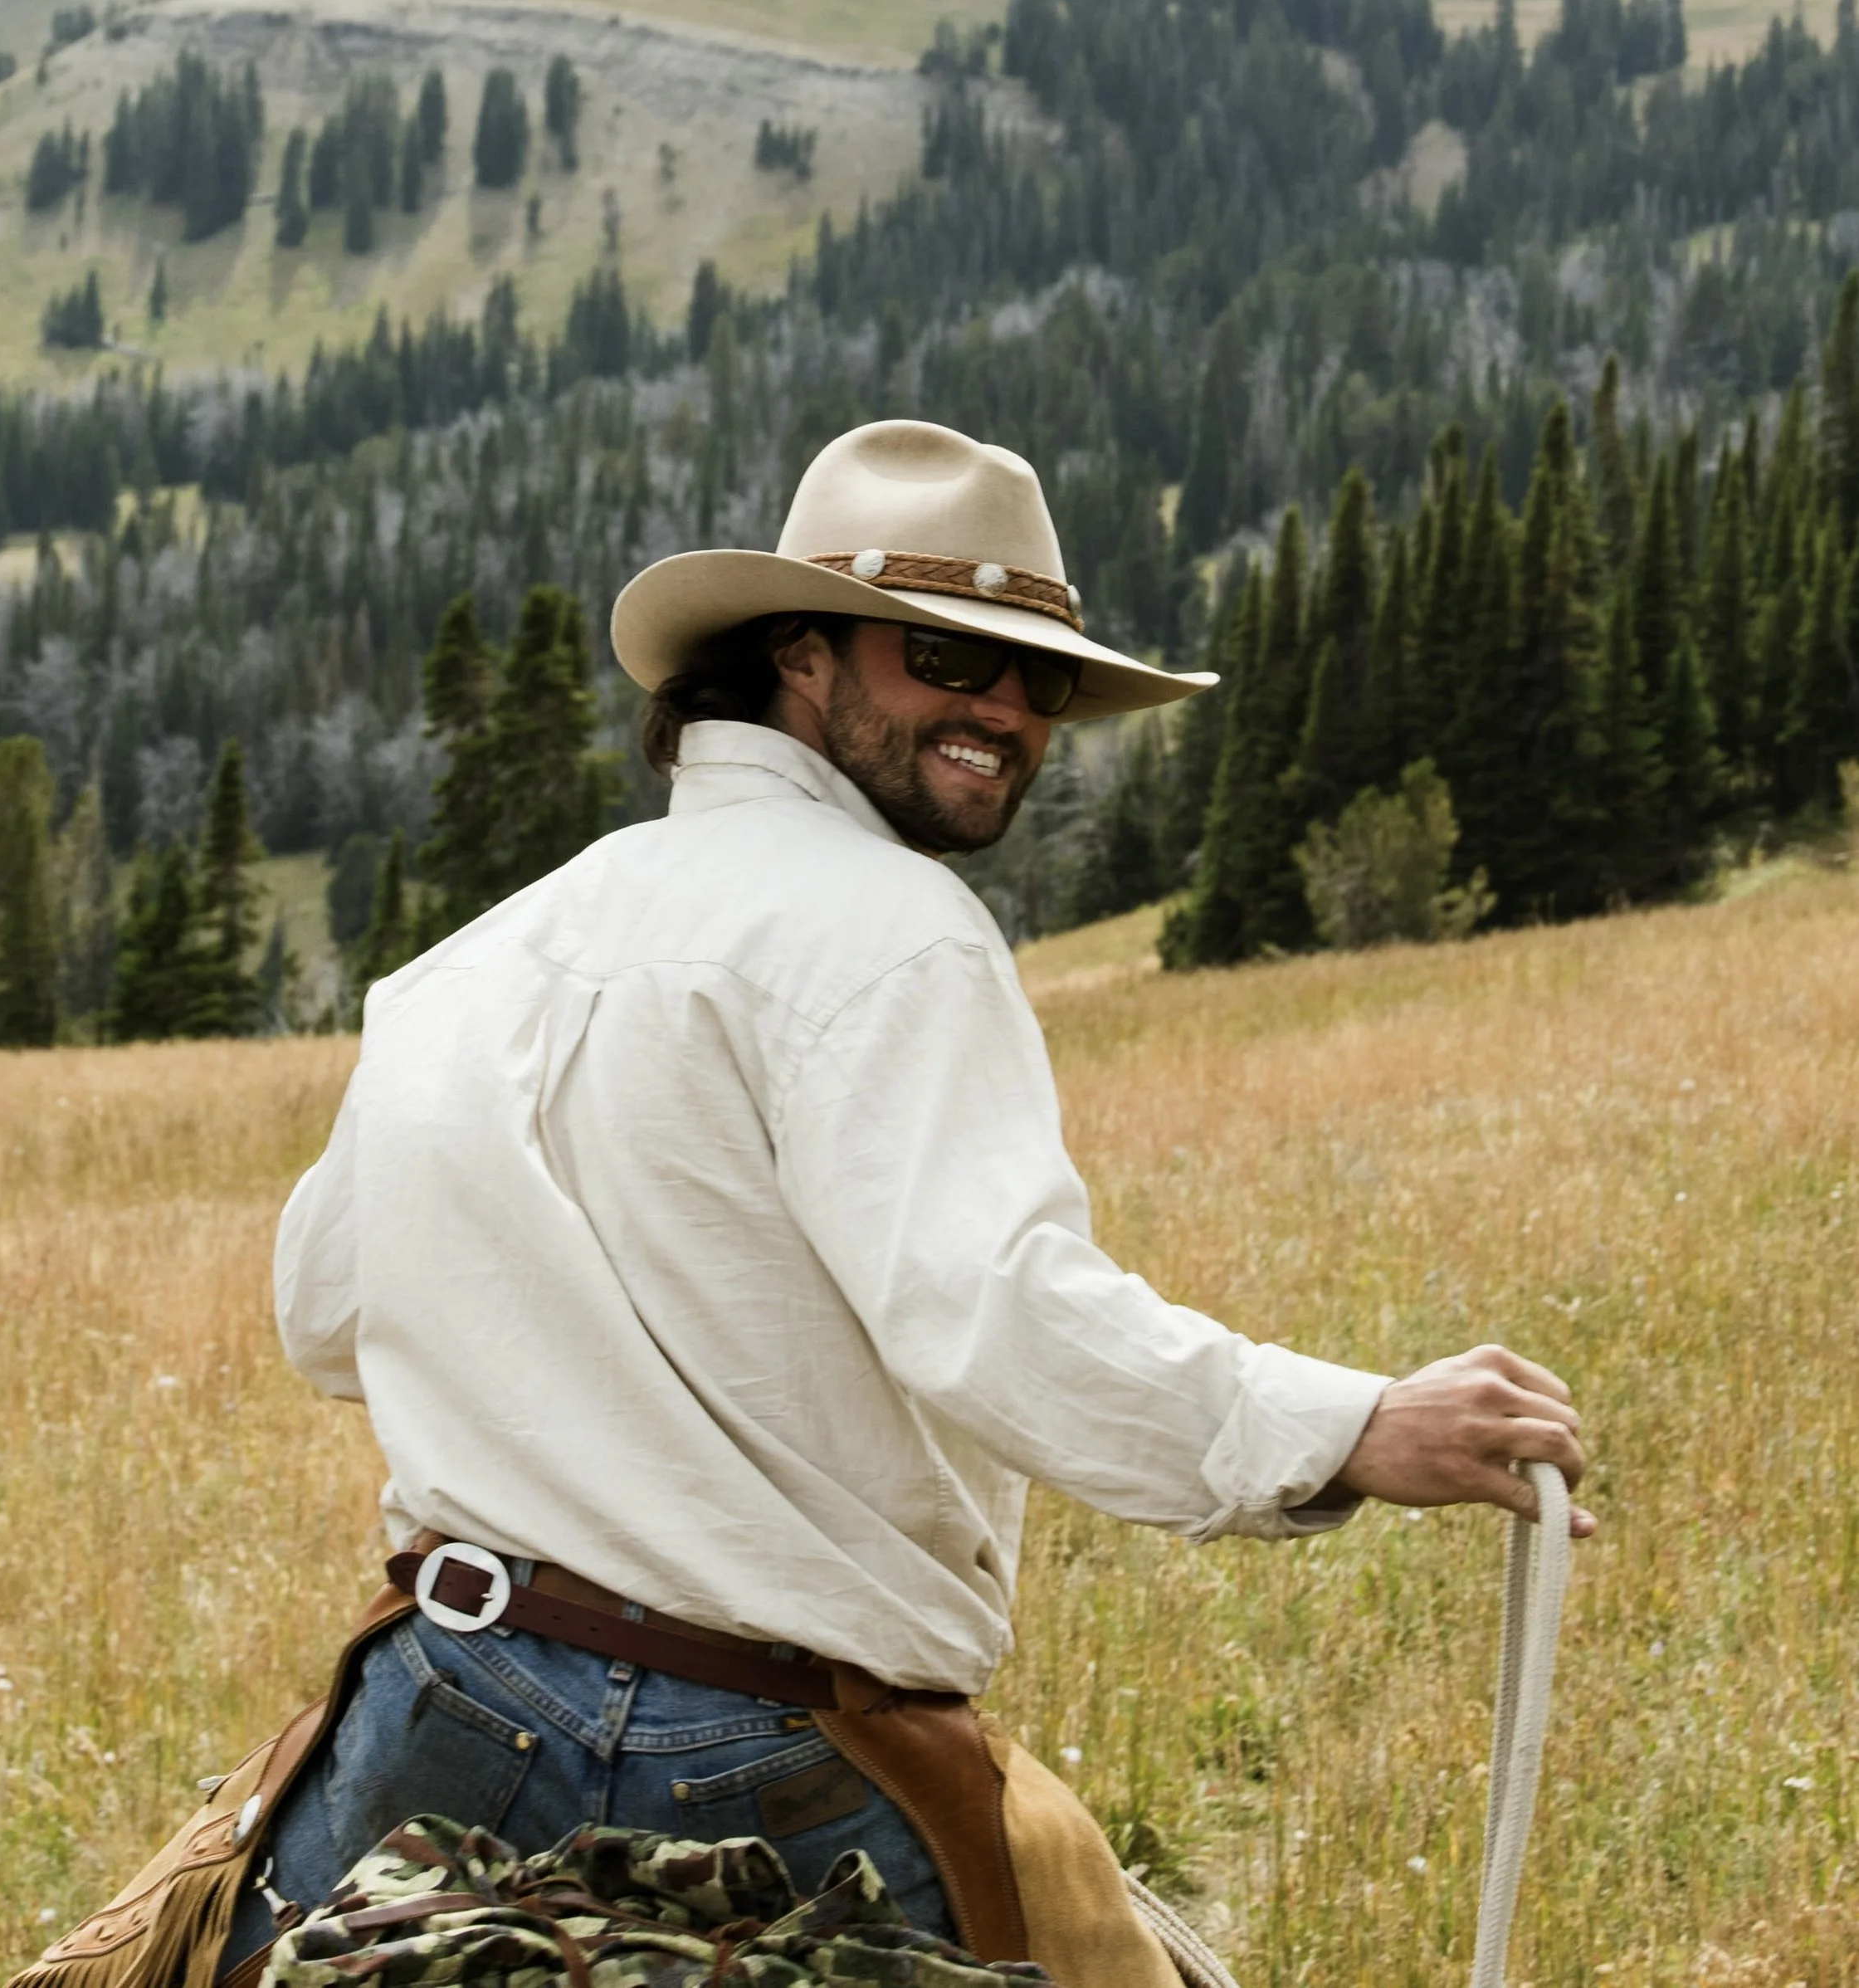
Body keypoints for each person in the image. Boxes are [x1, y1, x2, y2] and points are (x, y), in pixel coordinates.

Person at [238, 418, 1588, 1973]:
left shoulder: (481, 957)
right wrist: (1347, 1427)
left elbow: (326, 1315)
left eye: (1041, 679)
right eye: (950, 659)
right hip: (745, 1746)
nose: (1005, 710)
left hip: (445, 1699)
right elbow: (996, 1318)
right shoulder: (899, 929)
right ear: (800, 656)